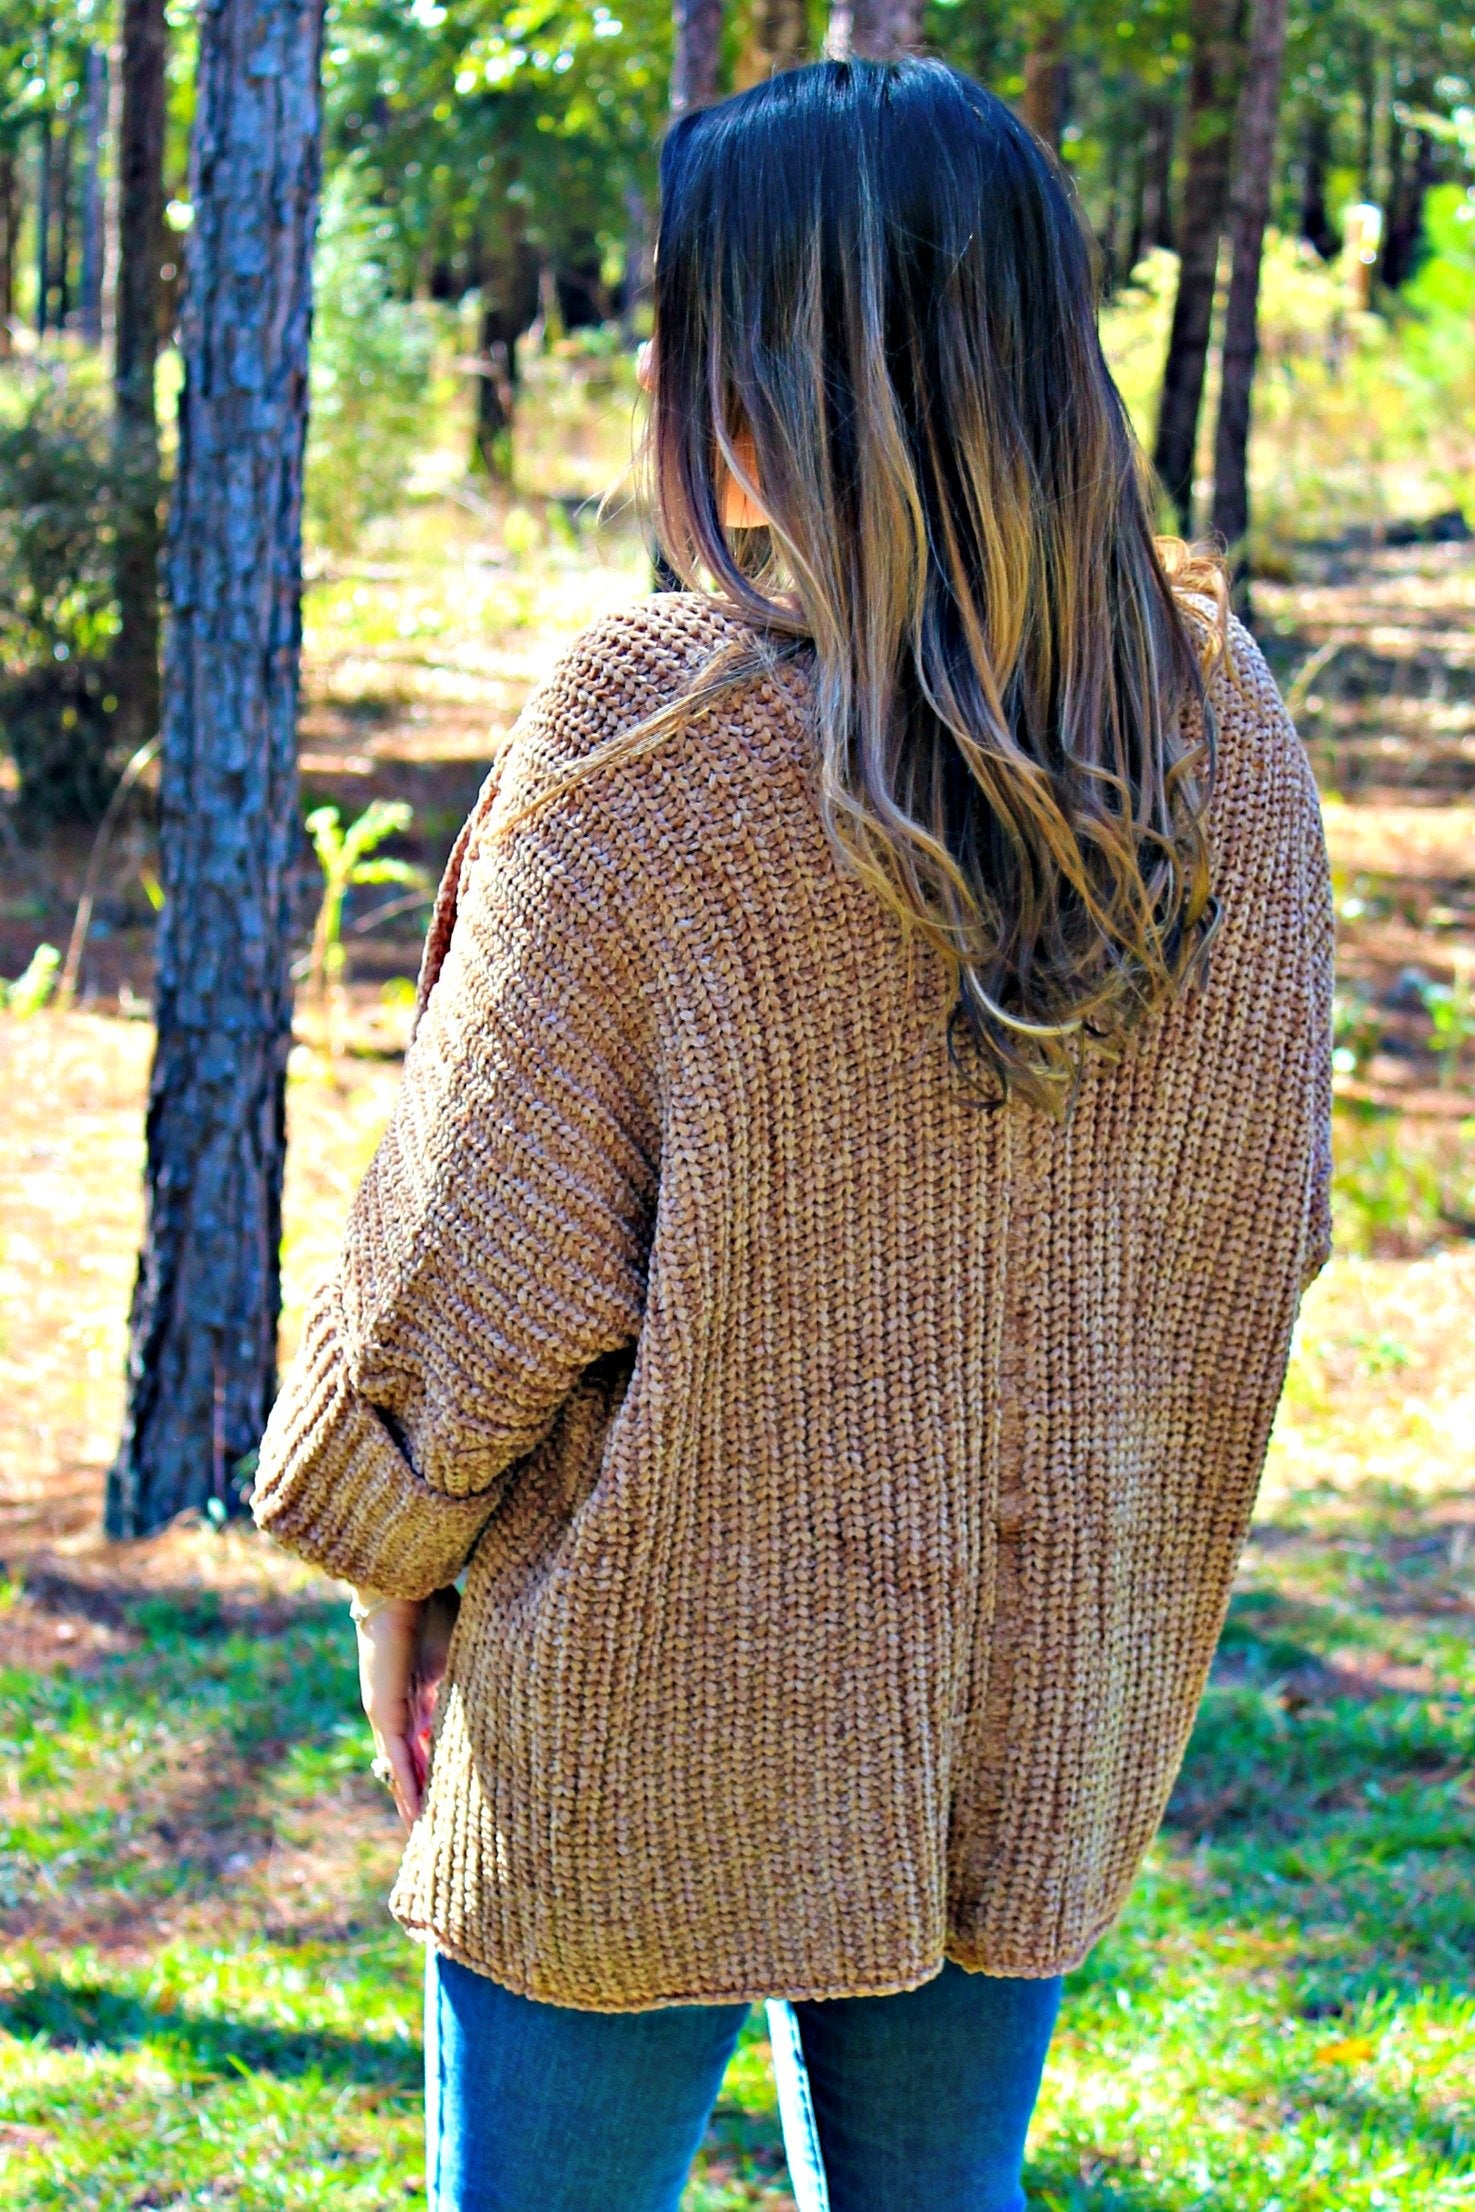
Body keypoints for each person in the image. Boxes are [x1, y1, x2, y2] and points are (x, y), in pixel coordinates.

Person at [252, 55, 1332, 2212]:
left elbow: (473, 1264)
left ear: (771, 376)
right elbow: (1264, 1228)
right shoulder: (1219, 732)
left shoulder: (650, 732)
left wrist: (390, 1566)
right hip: (1034, 1703)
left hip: (644, 1703)